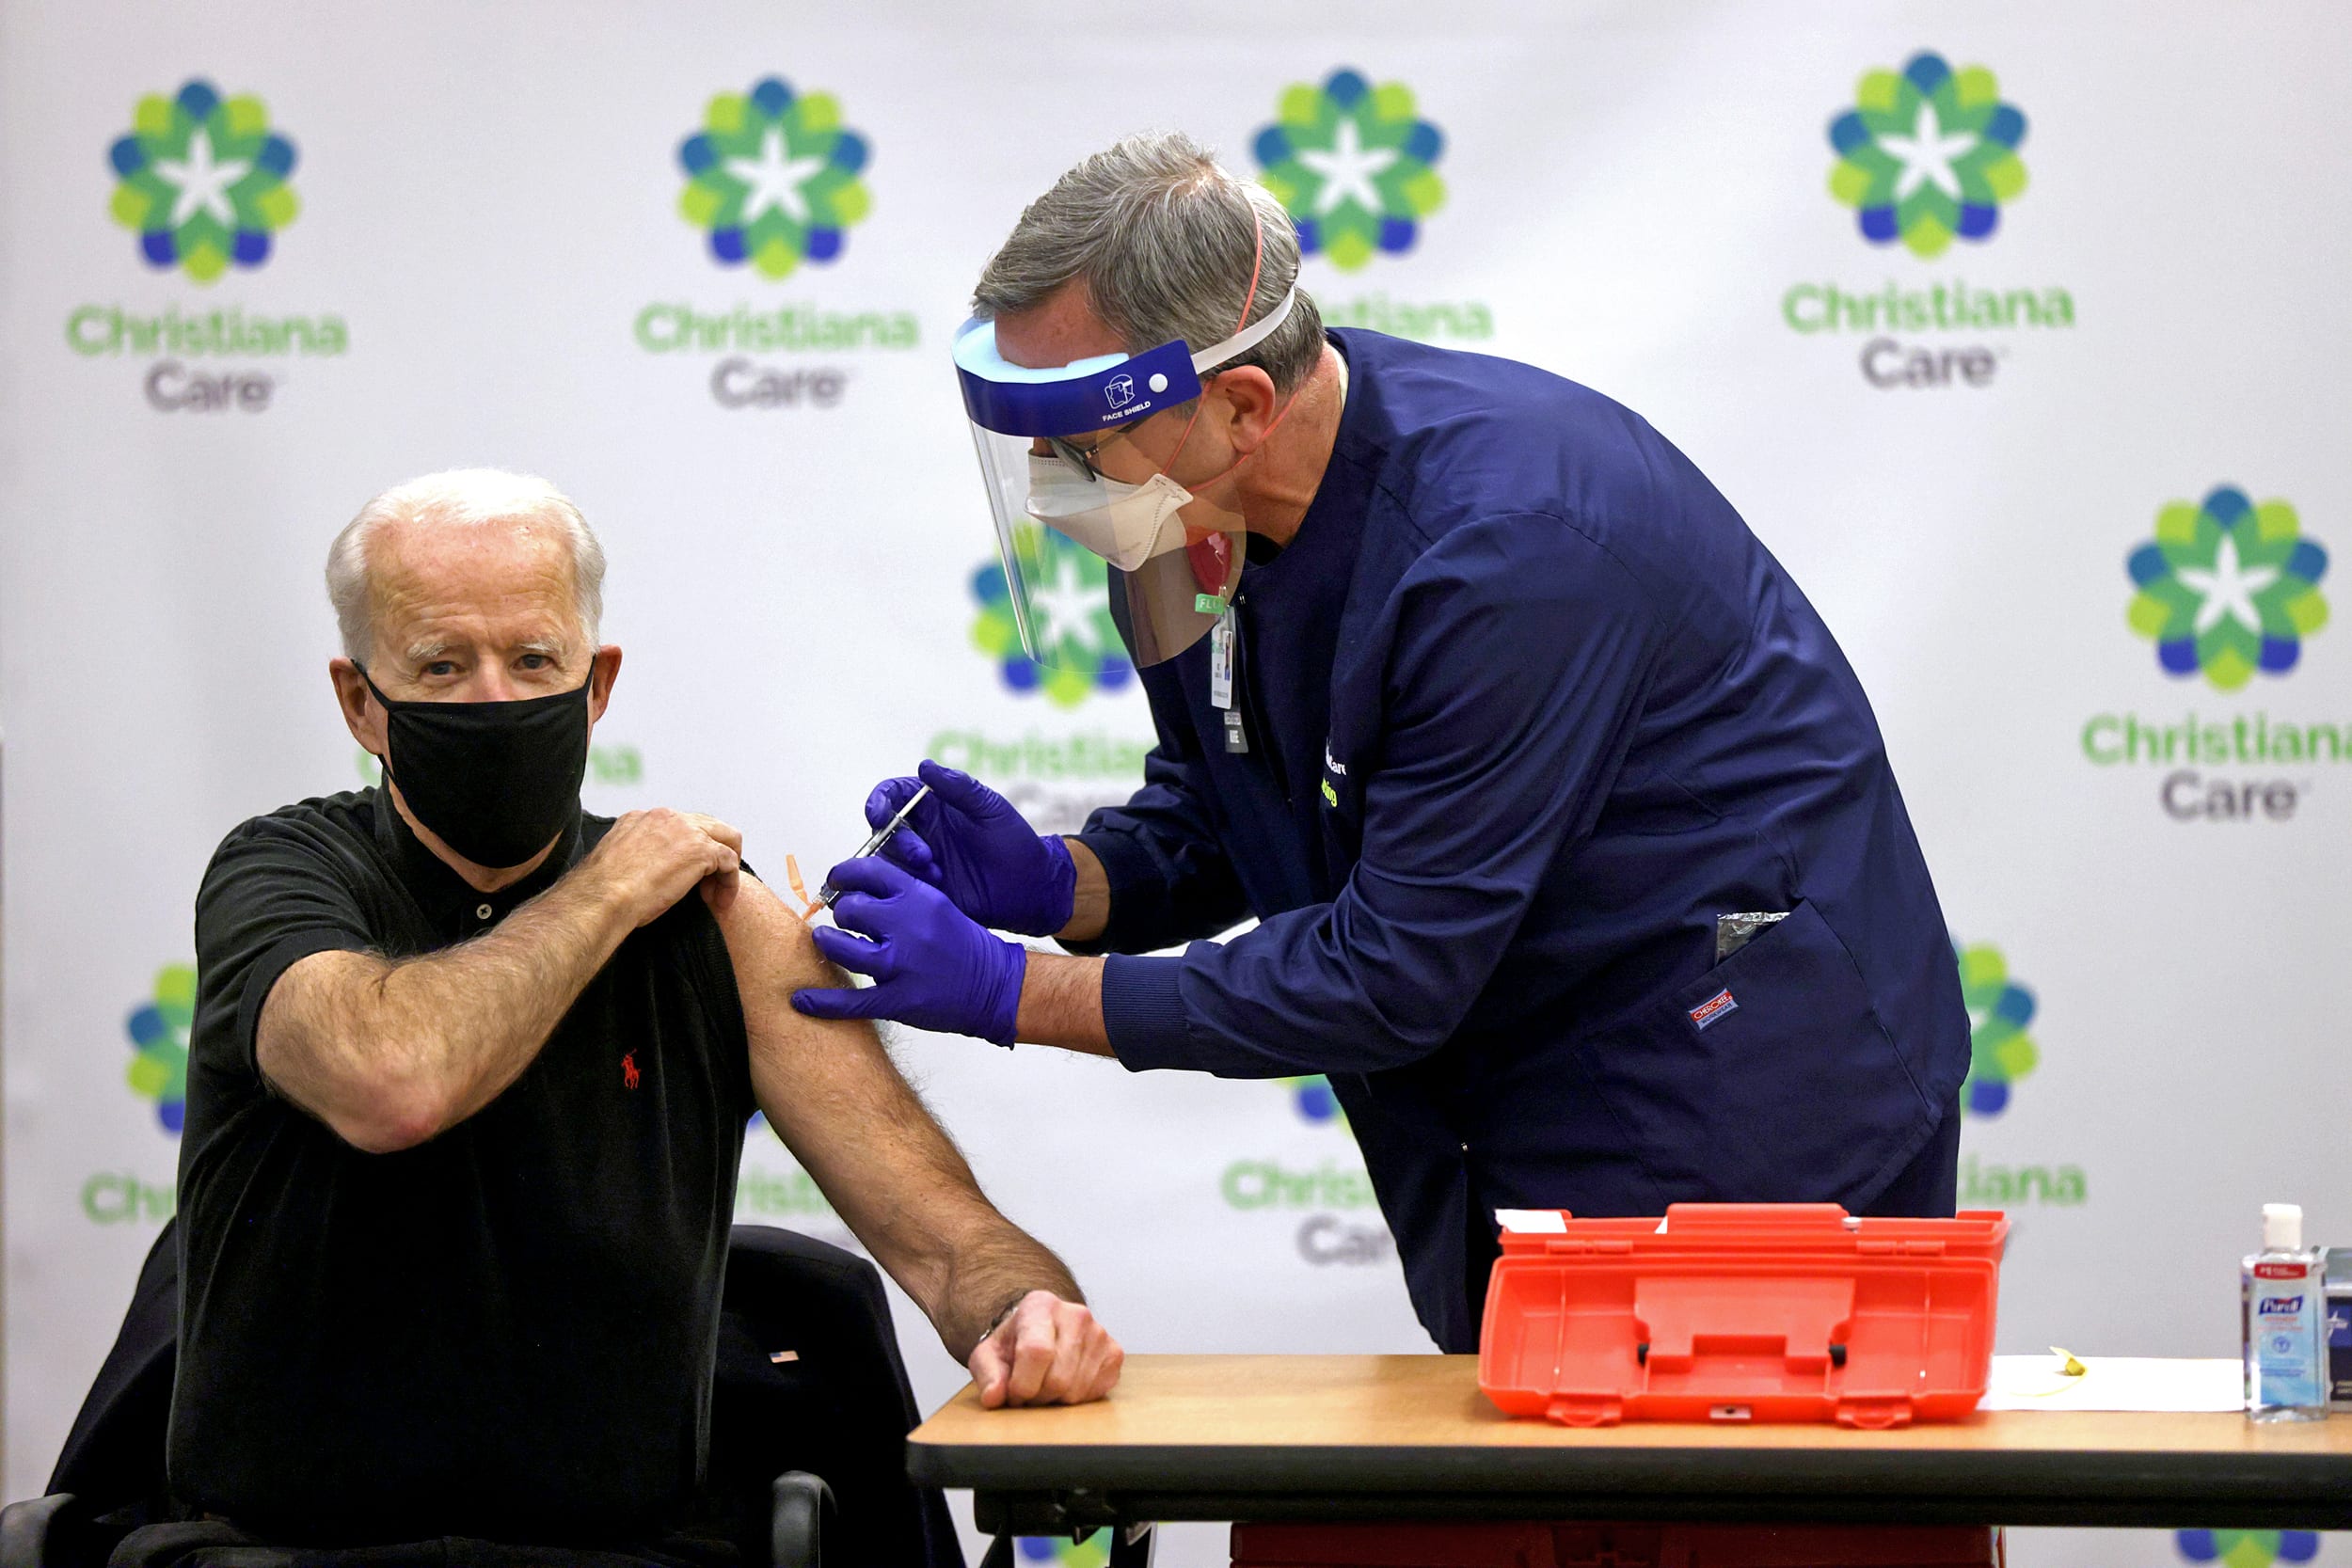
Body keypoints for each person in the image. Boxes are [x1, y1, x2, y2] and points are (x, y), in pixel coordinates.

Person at [793, 134, 1972, 1354]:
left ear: (1241, 407)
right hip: (1508, 1099)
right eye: (1033, 446)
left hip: (1742, 1110)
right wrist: (1067, 881)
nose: (1051, 483)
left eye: (1077, 443)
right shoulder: (1186, 514)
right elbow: (1229, 802)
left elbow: (1391, 969)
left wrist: (1012, 989)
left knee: (1722, 1472)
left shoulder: (1508, 551)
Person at [167, 469, 1120, 1560]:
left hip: (623, 1550)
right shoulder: (280, 874)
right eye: (441, 664)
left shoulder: (715, 919)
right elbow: (391, 1079)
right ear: (359, 702)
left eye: (534, 659)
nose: (493, 699)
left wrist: (1025, 1311)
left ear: (598, 683)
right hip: (291, 1549)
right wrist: (609, 889)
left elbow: (945, 1236)